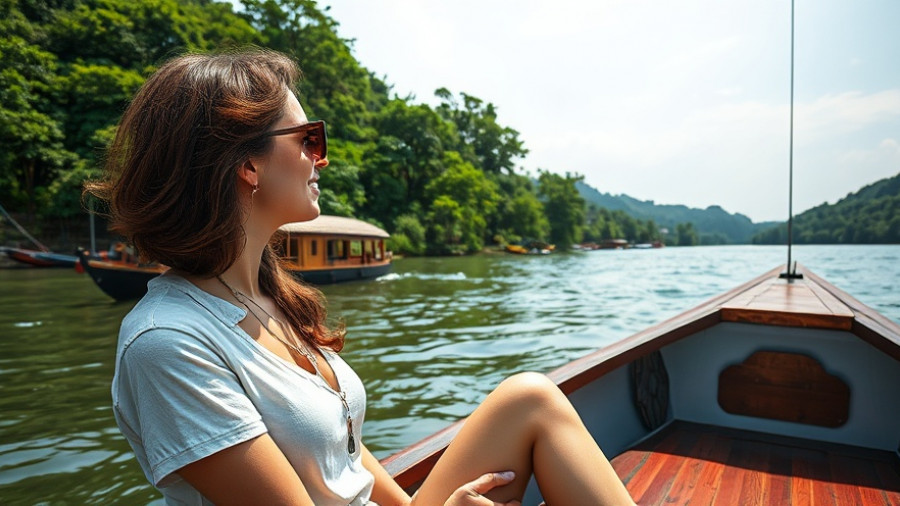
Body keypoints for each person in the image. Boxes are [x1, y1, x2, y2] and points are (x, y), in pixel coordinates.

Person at [87, 48, 635, 506]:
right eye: (308, 140)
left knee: (530, 398)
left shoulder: (265, 296)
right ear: (247, 166)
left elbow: (340, 447)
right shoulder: (168, 342)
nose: (320, 160)